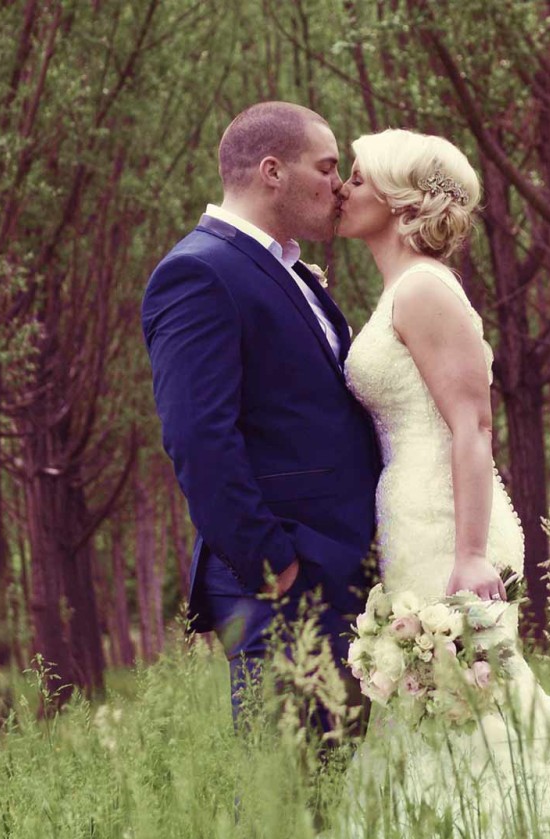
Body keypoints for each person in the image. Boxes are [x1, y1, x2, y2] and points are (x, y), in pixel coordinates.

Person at [336, 128, 550, 839]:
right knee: (432, 697)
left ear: (397, 199)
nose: (344, 190)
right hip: (412, 511)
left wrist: (472, 552)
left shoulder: (422, 289)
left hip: (448, 520)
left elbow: (472, 427)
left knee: (465, 695)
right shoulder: (400, 290)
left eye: (358, 178)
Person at [140, 102, 381, 739]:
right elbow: (199, 439)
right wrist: (277, 566)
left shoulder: (288, 269)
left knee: (335, 789)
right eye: (327, 167)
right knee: (290, 797)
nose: (339, 184)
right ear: (272, 171)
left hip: (336, 574)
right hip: (285, 584)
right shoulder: (199, 272)